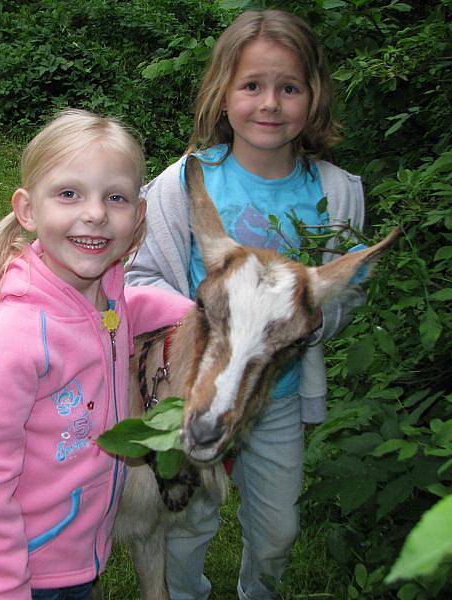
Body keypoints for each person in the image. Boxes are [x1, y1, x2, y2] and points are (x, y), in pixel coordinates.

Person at [125, 10, 366, 600]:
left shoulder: (336, 191)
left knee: (279, 529)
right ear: (222, 92)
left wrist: (309, 317)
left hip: (277, 398)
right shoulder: (185, 182)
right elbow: (140, 272)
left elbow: (344, 295)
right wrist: (199, 318)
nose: (270, 103)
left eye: (289, 88)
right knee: (185, 519)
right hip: (194, 390)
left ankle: (258, 590)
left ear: (313, 97)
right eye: (252, 85)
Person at [0, 109, 194, 600]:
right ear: (27, 210)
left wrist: (195, 317)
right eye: (69, 194)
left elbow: (127, 309)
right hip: (28, 568)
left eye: (115, 197)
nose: (95, 213)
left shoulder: (104, 292)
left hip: (80, 551)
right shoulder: (15, 338)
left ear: (138, 216)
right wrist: (6, 589)